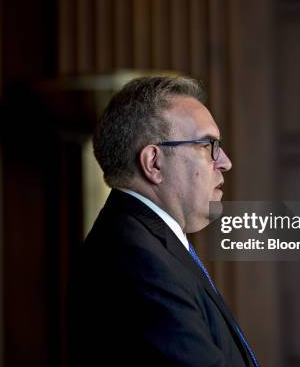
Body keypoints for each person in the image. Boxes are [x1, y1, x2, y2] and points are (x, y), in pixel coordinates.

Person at [66, 76, 260, 366]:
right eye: (208, 145)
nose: (225, 162)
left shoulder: (145, 243)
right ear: (154, 163)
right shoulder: (135, 257)